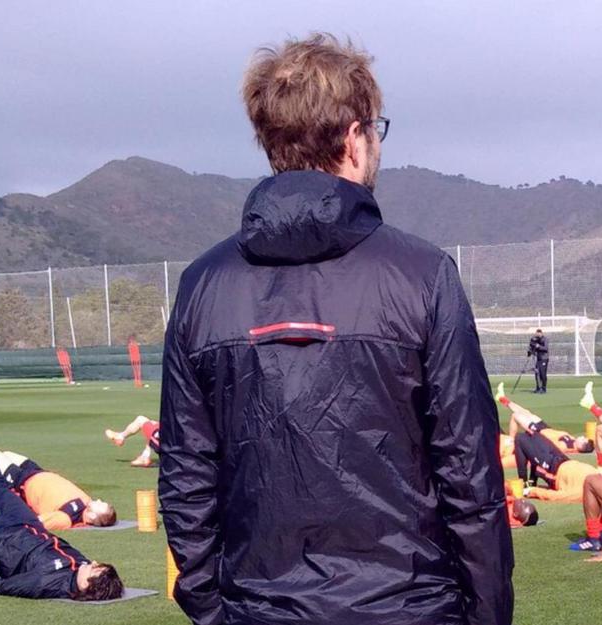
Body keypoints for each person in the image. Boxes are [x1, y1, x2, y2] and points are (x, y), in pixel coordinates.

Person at [160, 34, 512, 625]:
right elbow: (471, 475)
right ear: (354, 137)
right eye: (375, 130)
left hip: (267, 608)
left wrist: (212, 609)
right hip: (407, 609)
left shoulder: (204, 284)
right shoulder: (423, 274)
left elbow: (186, 478)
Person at [0, 392, 123, 601]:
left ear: (85, 585)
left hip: (4, 541)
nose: (92, 563)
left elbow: (18, 585)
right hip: (27, 526)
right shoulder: (81, 565)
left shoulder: (51, 582)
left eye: (94, 570)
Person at [0, 444, 117, 531]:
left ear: (91, 517)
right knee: (6, 453)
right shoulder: (86, 504)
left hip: (22, 482)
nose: (97, 499)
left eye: (100, 504)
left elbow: (34, 522)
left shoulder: (64, 518)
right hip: (35, 472)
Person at [496, 383, 593, 453]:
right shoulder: (572, 441)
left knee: (516, 416)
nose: (583, 437)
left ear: (581, 446)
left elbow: (549, 446)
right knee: (525, 412)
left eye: (584, 439)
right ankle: (502, 398)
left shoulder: (566, 446)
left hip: (538, 432)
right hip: (544, 428)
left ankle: (511, 441)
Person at [513, 431, 598, 502]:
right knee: (534, 435)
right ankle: (532, 481)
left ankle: (523, 485)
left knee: (519, 438)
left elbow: (556, 496)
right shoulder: (599, 477)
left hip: (555, 471)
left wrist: (532, 491)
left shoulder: (583, 493)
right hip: (565, 460)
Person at [528, 328, 548, 394]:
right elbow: (533, 348)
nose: (537, 335)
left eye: (538, 333)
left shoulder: (544, 339)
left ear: (541, 333)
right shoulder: (536, 339)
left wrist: (538, 346)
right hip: (538, 358)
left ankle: (544, 388)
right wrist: (530, 351)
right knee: (536, 373)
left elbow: (545, 348)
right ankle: (538, 388)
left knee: (542, 374)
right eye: (536, 333)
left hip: (544, 358)